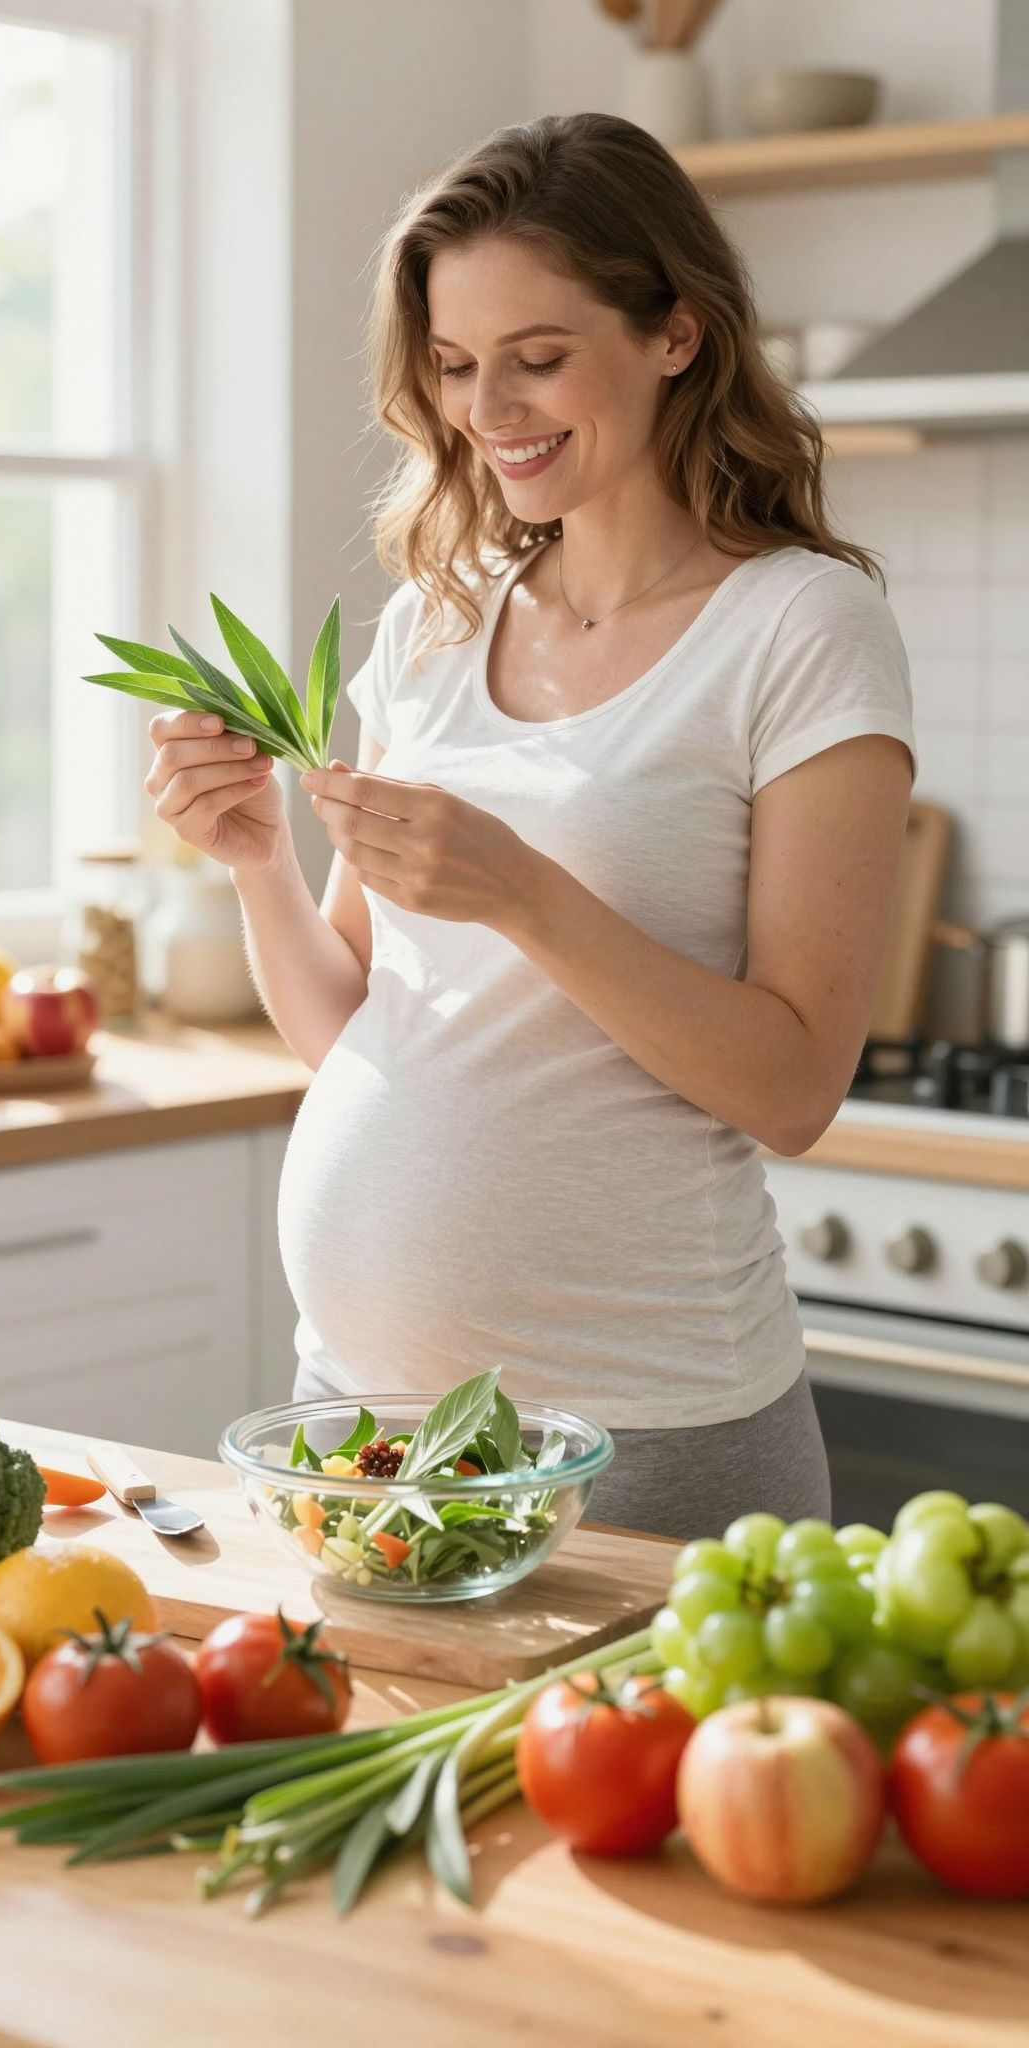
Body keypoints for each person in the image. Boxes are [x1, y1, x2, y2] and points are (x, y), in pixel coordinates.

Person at [143, 113, 916, 1539]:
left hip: (635, 1438)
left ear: (676, 334)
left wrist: (523, 895)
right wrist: (258, 865)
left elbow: (797, 1084)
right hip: (359, 1427)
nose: (486, 406)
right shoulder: (439, 621)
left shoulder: (803, 628)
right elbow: (358, 1030)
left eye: (538, 356)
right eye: (452, 364)